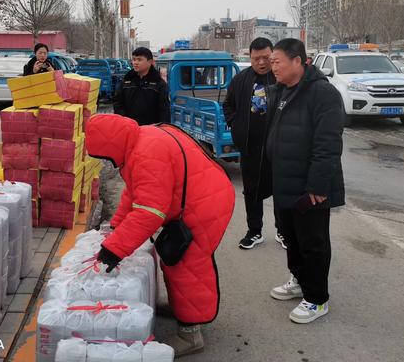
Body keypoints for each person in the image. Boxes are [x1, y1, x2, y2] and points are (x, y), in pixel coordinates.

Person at [85, 114, 235, 357]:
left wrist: (114, 249)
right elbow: (135, 193)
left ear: (110, 145)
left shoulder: (146, 152)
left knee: (187, 264)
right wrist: (116, 227)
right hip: (196, 196)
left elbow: (149, 211)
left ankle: (190, 334)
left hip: (206, 203)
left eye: (105, 155)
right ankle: (181, 308)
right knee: (173, 258)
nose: (108, 161)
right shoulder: (138, 141)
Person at [266, 38, 345, 324]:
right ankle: (299, 281)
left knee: (313, 243)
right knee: (291, 239)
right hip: (285, 181)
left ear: (298, 61)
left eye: (277, 61)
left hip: (310, 186)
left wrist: (317, 187)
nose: (271, 67)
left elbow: (328, 145)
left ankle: (317, 299)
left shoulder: (322, 93)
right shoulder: (281, 91)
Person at [223, 37, 285, 250]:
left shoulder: (282, 79)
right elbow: (228, 105)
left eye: (266, 58)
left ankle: (283, 231)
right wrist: (236, 125)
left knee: (281, 190)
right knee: (251, 191)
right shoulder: (240, 80)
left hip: (278, 148)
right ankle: (254, 231)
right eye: (256, 58)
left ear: (273, 55)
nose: (261, 63)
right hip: (250, 147)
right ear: (249, 58)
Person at [113, 47, 170, 125]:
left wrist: (162, 127)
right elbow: (117, 103)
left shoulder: (159, 83)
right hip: (129, 127)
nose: (135, 62)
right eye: (134, 59)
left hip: (151, 130)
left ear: (149, 62)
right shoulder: (126, 81)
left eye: (139, 60)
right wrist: (125, 120)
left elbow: (164, 110)